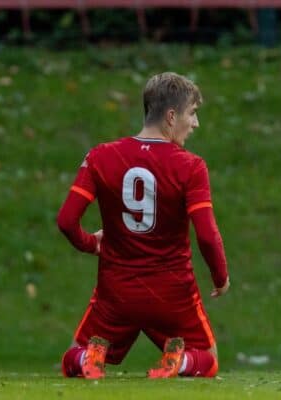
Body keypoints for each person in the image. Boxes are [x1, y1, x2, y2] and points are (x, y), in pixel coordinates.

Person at [56, 72, 230, 379]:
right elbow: (206, 233)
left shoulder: (101, 156)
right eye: (192, 114)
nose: (195, 123)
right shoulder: (190, 166)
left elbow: (67, 221)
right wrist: (220, 275)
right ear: (171, 116)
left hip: (116, 292)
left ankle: (88, 357)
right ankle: (181, 363)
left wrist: (90, 243)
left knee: (73, 356)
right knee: (208, 359)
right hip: (173, 292)